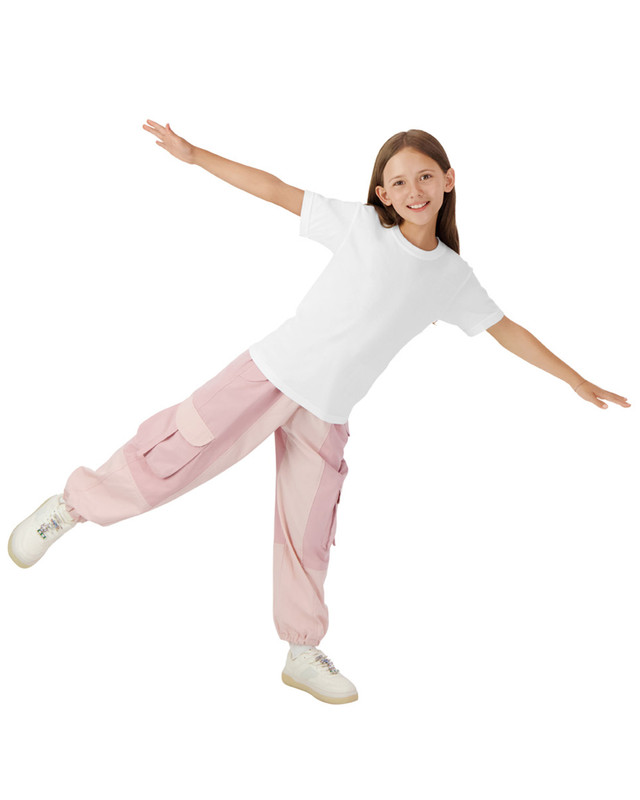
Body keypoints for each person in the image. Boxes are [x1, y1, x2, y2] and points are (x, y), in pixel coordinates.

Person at [8, 122, 631, 705]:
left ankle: (301, 651)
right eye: (398, 181)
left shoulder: (451, 276)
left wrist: (575, 379)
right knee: (175, 451)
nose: (413, 190)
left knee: (307, 532)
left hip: (329, 412)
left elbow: (506, 329)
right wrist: (195, 157)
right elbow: (275, 189)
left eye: (424, 176)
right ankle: (72, 506)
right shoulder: (361, 226)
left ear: (448, 179)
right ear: (382, 193)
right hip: (269, 373)